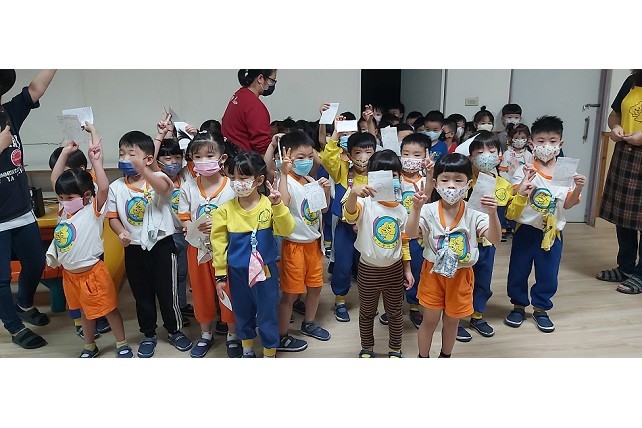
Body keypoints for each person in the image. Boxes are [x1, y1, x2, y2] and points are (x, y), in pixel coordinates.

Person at [107, 128, 193, 357]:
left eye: (131, 154)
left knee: (168, 292)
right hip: (134, 248)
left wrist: (145, 170)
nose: (125, 159)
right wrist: (121, 232)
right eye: (122, 154)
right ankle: (148, 333)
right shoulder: (116, 187)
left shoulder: (158, 178)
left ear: (147, 159)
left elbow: (164, 189)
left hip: (162, 246)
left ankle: (174, 330)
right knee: (142, 294)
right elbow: (113, 217)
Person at [47, 128, 132, 358]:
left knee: (109, 310)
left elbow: (103, 187)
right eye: (61, 198)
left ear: (85, 195)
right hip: (70, 276)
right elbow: (55, 180)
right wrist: (65, 153)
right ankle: (89, 346)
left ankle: (122, 344)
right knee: (85, 312)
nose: (64, 201)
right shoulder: (64, 211)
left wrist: (96, 162)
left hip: (93, 274)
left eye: (69, 198)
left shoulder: (92, 210)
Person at [405, 153, 501, 358]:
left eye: (458, 180)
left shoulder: (475, 213)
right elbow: (411, 233)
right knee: (429, 320)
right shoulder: (428, 210)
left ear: (469, 184)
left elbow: (495, 238)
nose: (451, 186)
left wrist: (493, 214)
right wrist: (415, 208)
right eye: (445, 179)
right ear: (435, 183)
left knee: (452, 321)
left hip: (461, 275)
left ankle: (445, 356)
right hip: (432, 274)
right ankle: (423, 357)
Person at [504, 116, 586, 332]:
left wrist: (578, 188)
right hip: (526, 230)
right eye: (541, 141)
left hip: (552, 232)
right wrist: (525, 183)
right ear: (532, 144)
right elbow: (515, 195)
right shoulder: (525, 169)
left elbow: (568, 204)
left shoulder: (566, 171)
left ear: (560, 144)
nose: (546, 146)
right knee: (518, 269)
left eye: (552, 141)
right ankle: (518, 305)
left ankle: (541, 308)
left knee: (548, 273)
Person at [210, 152, 295, 358]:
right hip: (237, 273)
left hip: (265, 272)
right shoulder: (224, 211)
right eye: (232, 178)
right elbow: (218, 245)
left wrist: (278, 206)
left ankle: (269, 351)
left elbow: (286, 230)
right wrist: (220, 275)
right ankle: (247, 348)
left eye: (243, 177)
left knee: (267, 313)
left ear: (258, 180)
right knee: (242, 311)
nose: (237, 183)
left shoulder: (269, 204)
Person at [0, 69, 56, 349]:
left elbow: (35, 89)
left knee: (36, 263)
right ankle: (14, 327)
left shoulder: (8, 113)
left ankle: (23, 303)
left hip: (22, 212)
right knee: (1, 280)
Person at [344, 150, 414, 358]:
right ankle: (367, 347)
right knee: (366, 312)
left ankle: (395, 348)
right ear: (371, 177)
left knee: (395, 312)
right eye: (382, 174)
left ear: (400, 177)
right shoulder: (365, 203)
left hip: (394, 270)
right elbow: (350, 216)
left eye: (394, 175)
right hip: (368, 270)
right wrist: (354, 193)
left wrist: (407, 269)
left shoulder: (401, 210)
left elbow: (404, 241)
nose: (389, 179)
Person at [178, 131, 241, 358]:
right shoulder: (188, 187)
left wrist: (221, 224)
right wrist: (191, 226)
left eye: (209, 156)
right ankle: (206, 334)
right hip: (198, 250)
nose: (203, 161)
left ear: (222, 158)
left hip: (226, 250)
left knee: (228, 291)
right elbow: (183, 217)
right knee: (201, 292)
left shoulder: (233, 187)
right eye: (198, 157)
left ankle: (233, 335)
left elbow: (242, 216)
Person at [276, 131, 332, 352]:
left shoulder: (310, 180)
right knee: (290, 294)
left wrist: (325, 191)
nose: (306, 161)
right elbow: (282, 204)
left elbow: (323, 210)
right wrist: (283, 173)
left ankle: (309, 323)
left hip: (314, 245)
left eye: (310, 156)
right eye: (300, 157)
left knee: (315, 287)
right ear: (287, 157)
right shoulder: (285, 181)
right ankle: (282, 336)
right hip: (294, 246)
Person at [456, 131, 513, 342]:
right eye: (479, 152)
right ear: (470, 157)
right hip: (462, 241)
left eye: (491, 150)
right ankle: (455, 318)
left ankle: (477, 315)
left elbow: (506, 213)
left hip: (487, 242)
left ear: (499, 155)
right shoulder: (462, 180)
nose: (486, 155)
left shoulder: (504, 185)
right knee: (459, 281)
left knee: (483, 280)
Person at [320, 120, 376, 322]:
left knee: (368, 265)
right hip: (345, 226)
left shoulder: (378, 174)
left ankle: (368, 301)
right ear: (349, 155)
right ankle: (340, 300)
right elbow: (327, 157)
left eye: (368, 152)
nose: (363, 157)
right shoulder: (343, 170)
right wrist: (336, 133)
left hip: (369, 228)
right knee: (342, 264)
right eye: (358, 153)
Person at [379, 133, 435, 329]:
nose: (410, 158)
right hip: (394, 233)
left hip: (416, 235)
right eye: (406, 153)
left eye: (416, 155)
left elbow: (428, 196)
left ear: (425, 156)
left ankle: (414, 306)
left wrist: (430, 173)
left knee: (416, 271)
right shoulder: (395, 177)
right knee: (394, 273)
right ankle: (392, 308)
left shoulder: (424, 180)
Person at [597, 70, 642, 293]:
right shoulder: (632, 80)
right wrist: (615, 127)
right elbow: (615, 114)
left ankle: (641, 274)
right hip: (625, 154)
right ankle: (625, 267)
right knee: (623, 216)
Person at [156, 138, 192, 327]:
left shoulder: (185, 176)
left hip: (184, 232)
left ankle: (182, 305)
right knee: (172, 275)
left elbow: (194, 156)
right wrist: (160, 136)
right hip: (168, 234)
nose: (173, 162)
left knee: (182, 273)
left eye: (177, 158)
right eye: (168, 158)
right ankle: (174, 308)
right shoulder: (157, 178)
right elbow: (149, 161)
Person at [221, 69, 277, 155]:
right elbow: (262, 146)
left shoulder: (239, 94)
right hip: (243, 158)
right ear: (260, 78)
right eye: (272, 81)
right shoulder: (254, 106)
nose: (272, 85)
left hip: (231, 154)